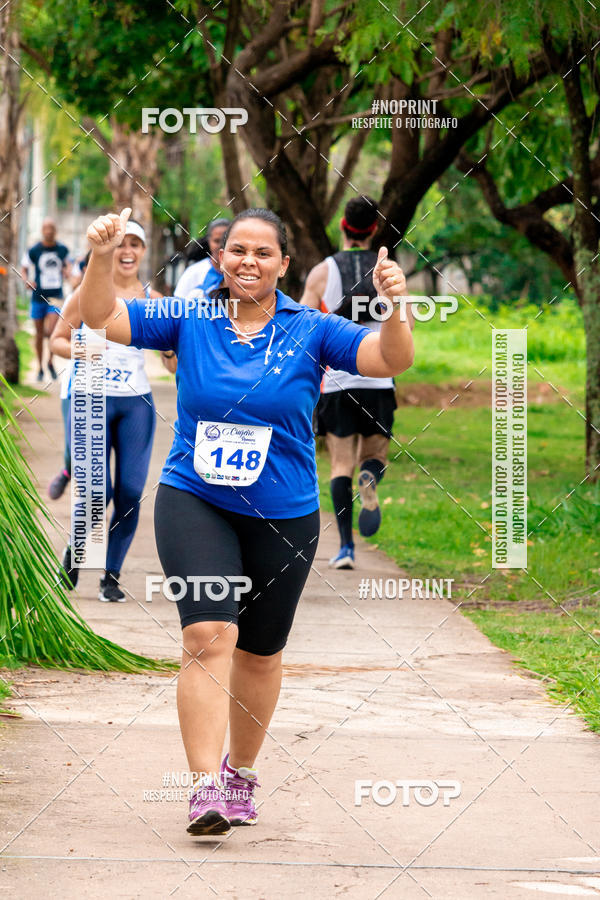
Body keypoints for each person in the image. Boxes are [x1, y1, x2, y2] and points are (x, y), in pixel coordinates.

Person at [79, 205, 413, 835]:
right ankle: (203, 786)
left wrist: (397, 306)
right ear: (219, 258)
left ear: (285, 264)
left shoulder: (313, 329)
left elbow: (387, 361)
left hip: (285, 513)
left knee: (260, 653)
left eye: (263, 253)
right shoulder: (191, 319)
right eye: (237, 250)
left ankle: (242, 774)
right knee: (208, 634)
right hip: (195, 497)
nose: (248, 262)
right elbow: (102, 317)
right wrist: (101, 258)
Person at [50, 220, 167, 601]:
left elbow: (171, 359)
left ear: (144, 251)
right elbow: (57, 341)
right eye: (121, 243)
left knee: (131, 493)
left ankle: (111, 575)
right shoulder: (87, 292)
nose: (128, 251)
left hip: (136, 402)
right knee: (98, 492)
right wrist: (89, 348)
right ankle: (76, 553)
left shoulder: (155, 300)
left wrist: (174, 354)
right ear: (109, 248)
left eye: (136, 243)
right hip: (90, 395)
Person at [301, 196, 412, 569]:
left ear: (344, 228)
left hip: (337, 383)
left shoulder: (323, 271)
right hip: (379, 382)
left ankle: (346, 548)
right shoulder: (389, 272)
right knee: (375, 457)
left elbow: (302, 324)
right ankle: (371, 478)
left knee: (339, 466)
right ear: (373, 231)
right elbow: (405, 328)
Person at [21, 218, 71, 382]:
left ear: (55, 231)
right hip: (38, 296)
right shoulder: (34, 250)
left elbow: (67, 265)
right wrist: (26, 280)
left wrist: (67, 272)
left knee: (52, 331)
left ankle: (50, 361)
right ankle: (40, 367)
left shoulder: (62, 249)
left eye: (51, 228)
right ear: (42, 230)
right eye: (46, 228)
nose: (48, 231)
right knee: (39, 333)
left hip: (55, 296)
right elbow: (24, 267)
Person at [174, 218, 230, 299]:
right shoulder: (193, 272)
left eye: (225, 241)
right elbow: (176, 306)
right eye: (216, 241)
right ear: (209, 241)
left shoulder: (241, 274)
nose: (221, 246)